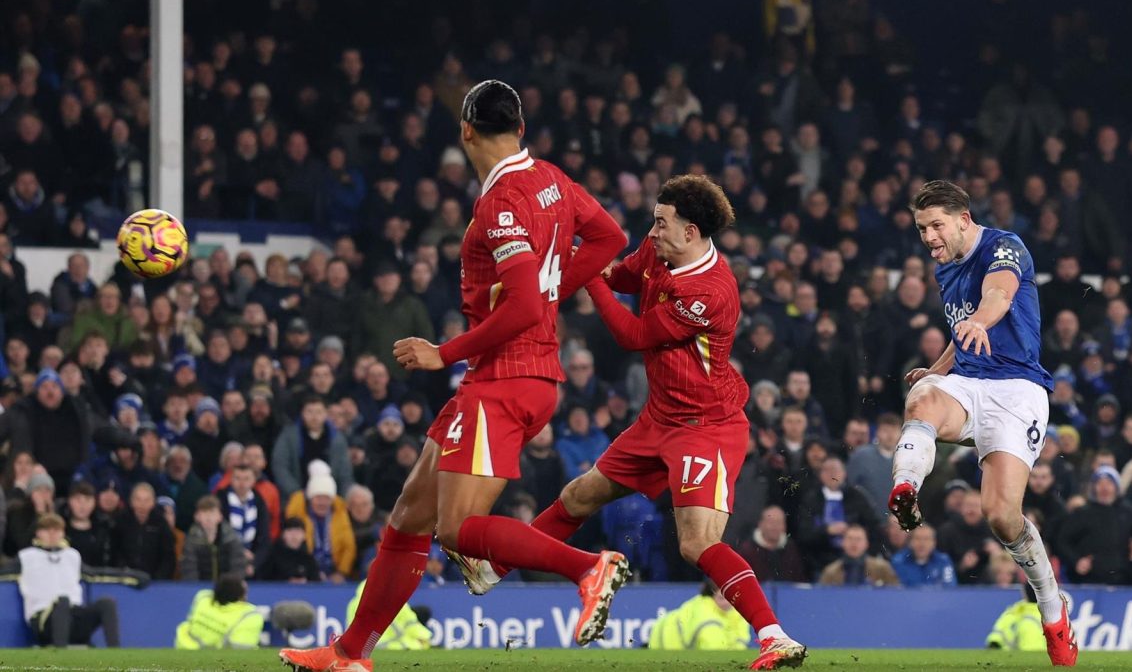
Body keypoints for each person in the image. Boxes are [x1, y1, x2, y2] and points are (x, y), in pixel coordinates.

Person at [281, 79, 629, 672]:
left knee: (459, 531)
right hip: (516, 375)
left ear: (465, 130)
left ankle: (588, 568)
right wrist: (555, 290)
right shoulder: (551, 179)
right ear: (520, 128)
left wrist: (444, 353)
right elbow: (610, 238)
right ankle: (349, 654)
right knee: (408, 518)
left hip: (504, 379)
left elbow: (524, 305)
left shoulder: (500, 202)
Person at [458, 175, 807, 670]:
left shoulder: (710, 291)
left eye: (661, 223)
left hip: (704, 427)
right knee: (579, 496)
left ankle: (774, 636)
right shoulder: (659, 248)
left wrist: (588, 273)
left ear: (690, 232)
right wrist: (572, 260)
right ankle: (493, 567)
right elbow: (623, 277)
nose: (653, 230)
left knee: (697, 543)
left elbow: (633, 333)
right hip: (658, 419)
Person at [887, 180, 1077, 665]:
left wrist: (980, 320)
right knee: (922, 397)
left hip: (1017, 391)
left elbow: (999, 293)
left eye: (936, 226)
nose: (929, 237)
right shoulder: (944, 268)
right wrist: (936, 370)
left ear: (963, 220)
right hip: (969, 384)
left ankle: (1053, 609)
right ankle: (906, 488)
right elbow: (963, 337)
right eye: (921, 228)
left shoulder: (1004, 246)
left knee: (1000, 515)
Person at [18, 513, 121, 647]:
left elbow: (95, 574)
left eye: (56, 530)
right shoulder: (26, 557)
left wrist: (134, 575)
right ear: (38, 533)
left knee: (107, 603)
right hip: (44, 619)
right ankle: (61, 652)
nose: (52, 534)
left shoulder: (72, 555)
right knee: (62, 602)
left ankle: (115, 652)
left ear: (63, 533)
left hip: (74, 615)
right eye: (47, 530)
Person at [649, 582, 752, 651]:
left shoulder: (737, 612)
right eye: (721, 598)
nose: (727, 602)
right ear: (710, 596)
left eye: (730, 596)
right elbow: (716, 654)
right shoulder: (706, 616)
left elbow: (740, 642)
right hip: (662, 644)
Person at [175, 572, 263, 649]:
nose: (246, 597)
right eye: (245, 593)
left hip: (183, 647)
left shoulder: (203, 597)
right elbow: (243, 648)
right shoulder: (248, 615)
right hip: (214, 659)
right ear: (240, 597)